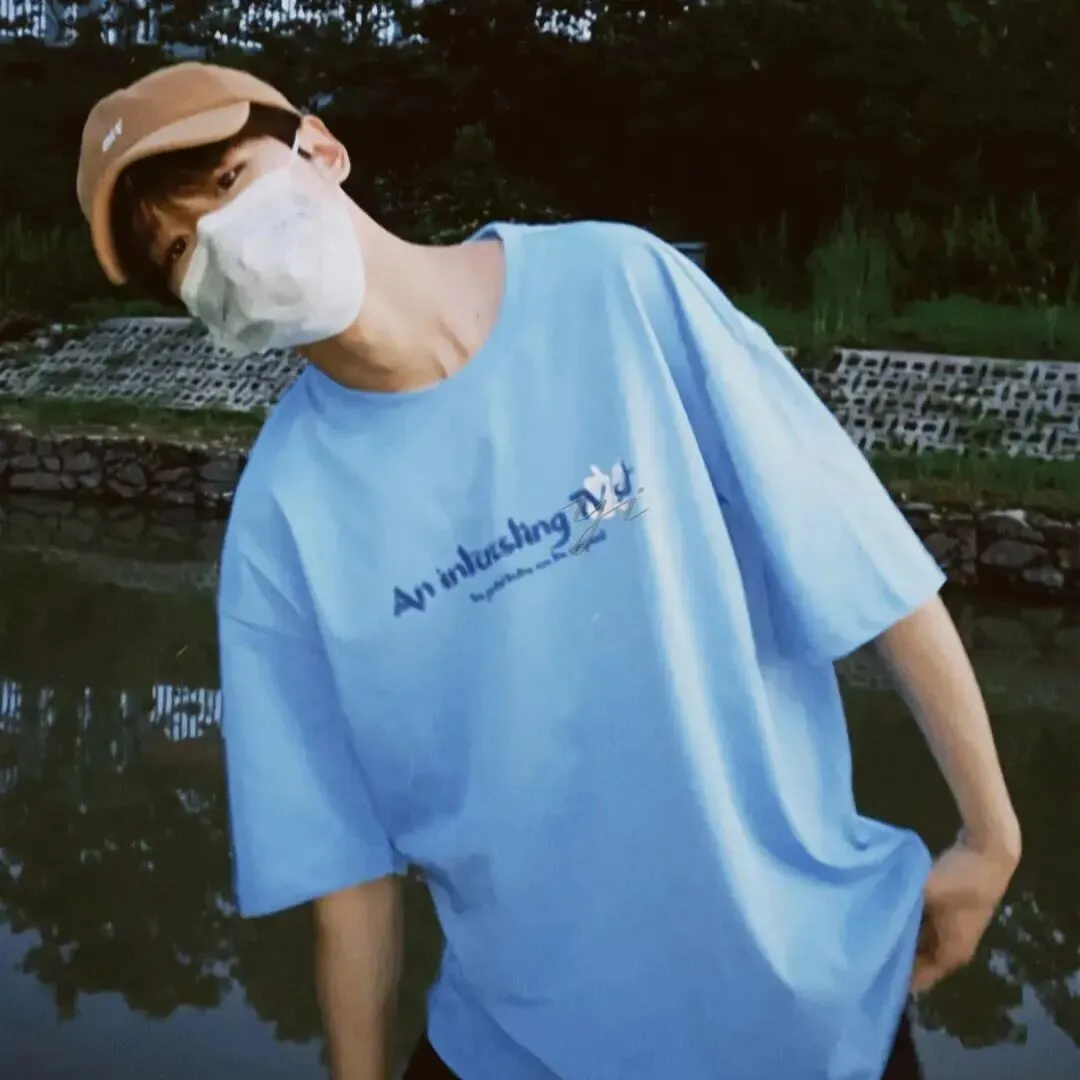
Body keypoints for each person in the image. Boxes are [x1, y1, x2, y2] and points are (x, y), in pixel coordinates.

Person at [77, 62, 1021, 1080]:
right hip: (521, 1045)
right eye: (177, 250)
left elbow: (856, 547)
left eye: (226, 181)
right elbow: (346, 877)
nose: (218, 243)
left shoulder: (618, 286)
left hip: (814, 1007)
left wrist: (990, 832)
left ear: (321, 148)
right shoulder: (280, 519)